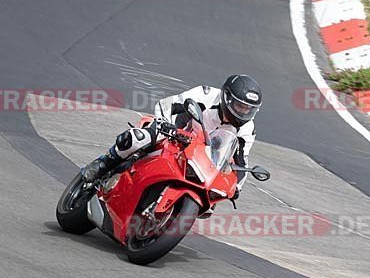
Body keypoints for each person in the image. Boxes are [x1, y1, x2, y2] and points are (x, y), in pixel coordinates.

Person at [82, 75, 262, 197]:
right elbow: (167, 105)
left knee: (212, 196)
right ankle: (105, 163)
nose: (244, 113)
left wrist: (236, 188)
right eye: (240, 106)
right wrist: (166, 125)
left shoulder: (247, 129)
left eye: (249, 109)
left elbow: (241, 162)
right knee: (141, 138)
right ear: (227, 98)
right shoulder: (205, 95)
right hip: (175, 135)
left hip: (203, 159)